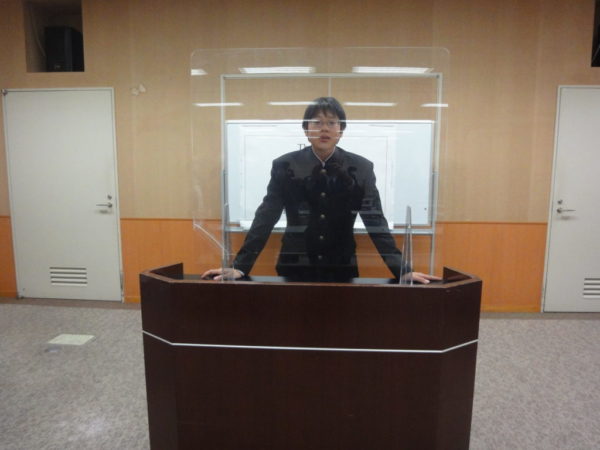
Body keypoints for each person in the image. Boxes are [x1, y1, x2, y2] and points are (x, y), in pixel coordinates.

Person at [202, 97, 440, 284]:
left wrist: (403, 271)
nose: (324, 128)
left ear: (341, 130)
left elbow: (375, 220)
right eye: (317, 122)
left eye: (331, 123)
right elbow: (266, 217)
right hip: (294, 263)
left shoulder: (360, 168)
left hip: (342, 264)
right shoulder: (286, 165)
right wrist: (240, 266)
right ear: (306, 129)